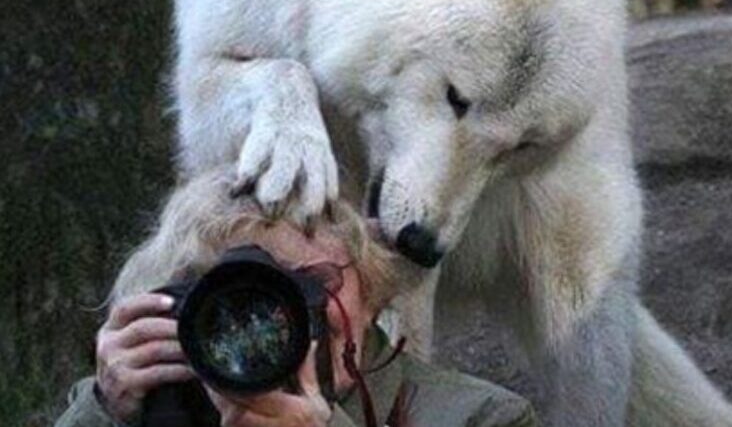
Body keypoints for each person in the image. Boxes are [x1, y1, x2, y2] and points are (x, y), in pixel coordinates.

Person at [54, 167, 537, 427]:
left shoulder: (479, 418)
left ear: (371, 291)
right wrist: (104, 415)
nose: (278, 315)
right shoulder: (153, 404)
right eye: (242, 296)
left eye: (311, 282)